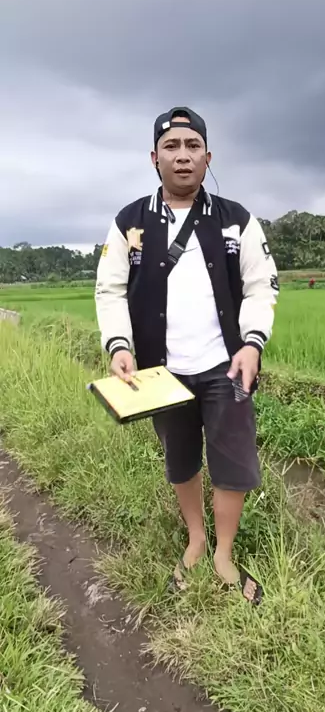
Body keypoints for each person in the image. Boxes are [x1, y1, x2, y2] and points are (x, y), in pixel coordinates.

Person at [95, 106, 278, 597]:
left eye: (192, 146)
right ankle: (196, 539)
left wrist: (252, 343)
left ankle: (224, 553)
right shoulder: (130, 222)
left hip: (227, 367)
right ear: (154, 158)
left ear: (207, 157)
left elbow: (261, 286)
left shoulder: (236, 220)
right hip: (162, 373)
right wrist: (119, 345)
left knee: (232, 459)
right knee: (180, 458)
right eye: (171, 147)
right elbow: (110, 290)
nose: (182, 156)